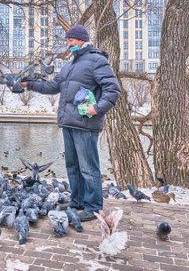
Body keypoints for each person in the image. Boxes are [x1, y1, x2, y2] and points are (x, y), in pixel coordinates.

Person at [21, 25, 120, 221]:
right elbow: (53, 86)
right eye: (67, 40)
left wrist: (97, 108)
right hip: (69, 122)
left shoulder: (97, 60)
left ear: (82, 40)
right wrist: (29, 84)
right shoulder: (69, 65)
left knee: (88, 167)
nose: (68, 43)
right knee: (72, 165)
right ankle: (78, 200)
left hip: (85, 122)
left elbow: (113, 89)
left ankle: (93, 207)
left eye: (71, 40)